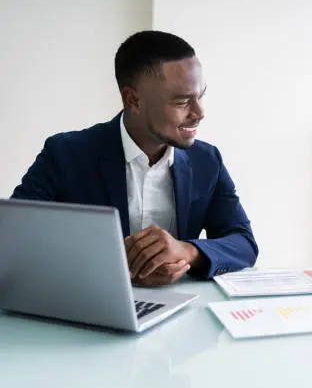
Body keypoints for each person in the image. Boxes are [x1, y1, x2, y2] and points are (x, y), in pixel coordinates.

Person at [11, 30, 258, 285]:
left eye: (200, 95)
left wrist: (187, 251)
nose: (199, 112)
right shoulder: (65, 154)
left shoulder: (207, 160)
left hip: (180, 308)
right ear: (133, 99)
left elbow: (243, 243)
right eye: (182, 101)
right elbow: (14, 236)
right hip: (90, 304)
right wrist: (119, 266)